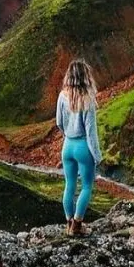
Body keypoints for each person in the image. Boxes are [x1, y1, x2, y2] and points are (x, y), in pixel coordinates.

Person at [56, 58, 102, 236]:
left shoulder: (62, 96)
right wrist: (96, 156)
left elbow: (59, 122)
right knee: (87, 186)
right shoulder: (88, 99)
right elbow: (91, 132)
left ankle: (68, 223)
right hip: (83, 146)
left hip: (67, 145)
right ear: (85, 76)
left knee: (69, 185)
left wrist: (67, 134)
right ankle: (77, 225)